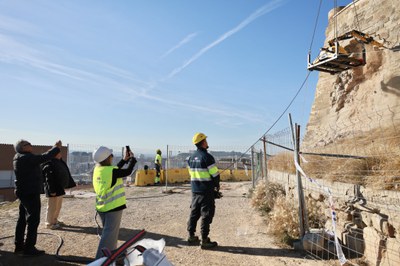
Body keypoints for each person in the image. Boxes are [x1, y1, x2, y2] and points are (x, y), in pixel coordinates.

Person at [13, 139, 62, 256]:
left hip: (24, 191)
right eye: (28, 144)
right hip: (29, 192)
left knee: (22, 219)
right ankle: (29, 248)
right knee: (33, 219)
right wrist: (56, 147)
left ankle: (19, 246)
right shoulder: (25, 158)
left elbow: (40, 158)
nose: (31, 144)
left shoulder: (20, 157)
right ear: (23, 147)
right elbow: (44, 157)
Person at [92, 146, 137, 259]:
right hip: (113, 208)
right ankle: (101, 260)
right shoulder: (111, 171)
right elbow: (126, 172)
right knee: (108, 236)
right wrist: (132, 159)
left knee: (110, 235)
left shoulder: (98, 169)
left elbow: (115, 171)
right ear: (108, 158)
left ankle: (110, 256)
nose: (112, 157)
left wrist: (125, 160)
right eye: (111, 155)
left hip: (102, 207)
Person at [187, 133, 220, 249]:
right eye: (205, 140)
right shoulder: (208, 157)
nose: (207, 142)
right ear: (203, 142)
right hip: (206, 191)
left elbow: (191, 173)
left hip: (195, 190)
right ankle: (204, 240)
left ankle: (191, 236)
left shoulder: (190, 158)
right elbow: (215, 174)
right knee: (206, 214)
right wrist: (216, 186)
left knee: (194, 213)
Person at [42, 150, 76, 229]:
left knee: (58, 206)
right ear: (55, 155)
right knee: (52, 207)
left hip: (60, 189)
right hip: (54, 190)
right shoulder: (49, 164)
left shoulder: (58, 162)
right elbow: (49, 179)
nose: (61, 154)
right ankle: (49, 224)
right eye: (59, 153)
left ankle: (54, 220)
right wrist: (52, 191)